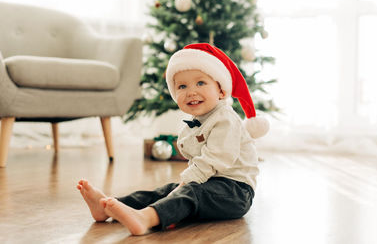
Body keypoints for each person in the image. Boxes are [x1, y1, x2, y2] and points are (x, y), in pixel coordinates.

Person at [77, 43, 269, 235]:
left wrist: (185, 183)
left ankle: (145, 218)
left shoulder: (226, 118)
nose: (191, 91)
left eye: (200, 83)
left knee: (189, 193)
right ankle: (110, 206)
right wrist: (180, 186)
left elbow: (217, 158)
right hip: (209, 182)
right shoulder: (197, 121)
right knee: (164, 191)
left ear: (221, 91)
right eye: (182, 86)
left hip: (235, 192)